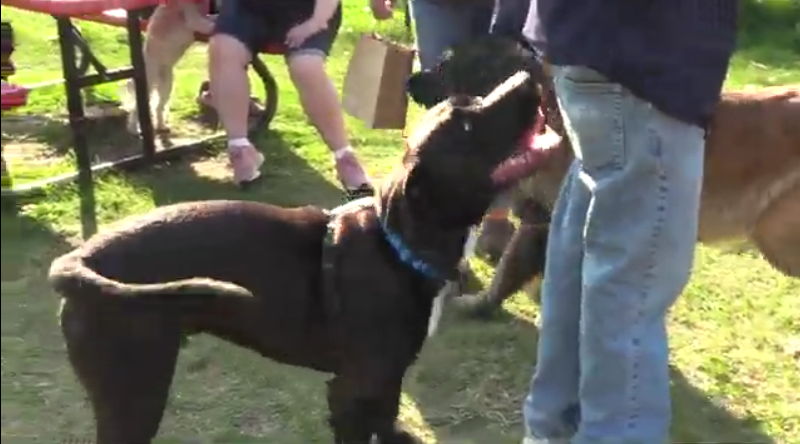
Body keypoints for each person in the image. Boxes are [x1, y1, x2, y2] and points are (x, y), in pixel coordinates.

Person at [520, 1, 738, 443]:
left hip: (587, 43)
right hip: (646, 57)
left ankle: (551, 430)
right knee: (632, 282)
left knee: (586, 259)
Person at [208, 0, 372, 196]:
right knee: (222, 49)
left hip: (308, 10)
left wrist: (315, 22)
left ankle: (344, 157)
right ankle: (239, 148)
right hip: (247, 9)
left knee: (306, 67)